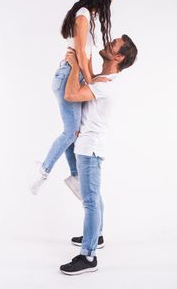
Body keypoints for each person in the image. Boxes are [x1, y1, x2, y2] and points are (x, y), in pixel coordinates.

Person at [59, 34, 138, 275]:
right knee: (92, 194)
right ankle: (98, 234)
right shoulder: (102, 79)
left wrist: (74, 66)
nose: (107, 43)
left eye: (113, 44)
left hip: (89, 148)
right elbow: (89, 78)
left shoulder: (105, 85)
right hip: (85, 145)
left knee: (90, 199)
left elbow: (71, 95)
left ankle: (88, 255)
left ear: (119, 56)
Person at [30, 0, 116, 195]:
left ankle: (75, 176)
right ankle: (42, 170)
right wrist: (90, 80)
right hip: (68, 75)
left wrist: (92, 79)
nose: (109, 6)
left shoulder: (89, 17)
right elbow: (78, 53)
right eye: (109, 0)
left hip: (74, 75)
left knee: (74, 131)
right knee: (71, 132)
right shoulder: (83, 15)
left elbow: (86, 58)